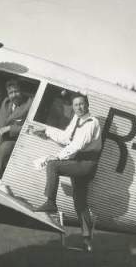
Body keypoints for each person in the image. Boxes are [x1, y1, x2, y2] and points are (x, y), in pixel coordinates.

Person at [32, 93, 102, 249]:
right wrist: (47, 131)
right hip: (78, 161)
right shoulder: (77, 120)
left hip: (86, 164)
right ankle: (87, 240)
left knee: (52, 165)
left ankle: (50, 202)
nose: (79, 107)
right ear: (73, 107)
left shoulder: (91, 123)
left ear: (87, 105)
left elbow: (76, 146)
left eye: (82, 104)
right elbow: (65, 137)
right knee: (80, 200)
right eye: (76, 105)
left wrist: (56, 157)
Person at [0, 79, 32, 175]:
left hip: (16, 141)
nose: (14, 95)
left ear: (21, 91)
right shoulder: (6, 102)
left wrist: (10, 128)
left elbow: (30, 128)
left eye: (16, 91)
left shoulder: (29, 104)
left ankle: (0, 176)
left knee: (4, 151)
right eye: (11, 93)